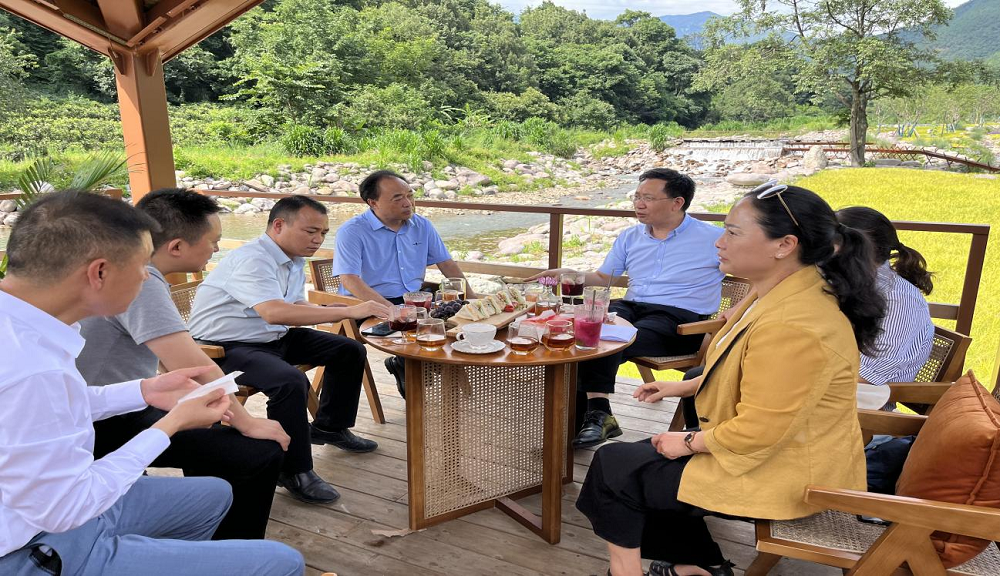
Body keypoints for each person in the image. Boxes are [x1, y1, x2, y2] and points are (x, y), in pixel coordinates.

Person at [576, 183, 884, 576]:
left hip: (788, 472)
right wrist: (685, 386)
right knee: (631, 462)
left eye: (734, 232)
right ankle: (701, 564)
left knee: (617, 467)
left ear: (784, 245)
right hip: (774, 450)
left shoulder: (795, 324)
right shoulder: (779, 290)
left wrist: (688, 441)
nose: (719, 242)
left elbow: (762, 428)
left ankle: (633, 571)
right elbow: (750, 371)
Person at [0, 191, 304, 575]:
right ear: (99, 273)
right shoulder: (34, 368)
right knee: (283, 562)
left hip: (43, 508)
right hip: (36, 544)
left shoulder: (25, 330)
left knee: (214, 493)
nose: (147, 277)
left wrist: (142, 390)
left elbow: (53, 405)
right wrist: (170, 424)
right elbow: (66, 508)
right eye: (142, 265)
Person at [76, 189, 290, 538]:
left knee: (209, 425)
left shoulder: (118, 268)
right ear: (176, 246)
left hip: (114, 402)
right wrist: (248, 422)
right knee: (258, 452)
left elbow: (171, 360)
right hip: (99, 421)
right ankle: (229, 554)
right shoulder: (141, 280)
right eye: (213, 241)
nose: (216, 249)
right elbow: (198, 366)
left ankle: (199, 523)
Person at [188, 195, 390, 505]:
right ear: (279, 225)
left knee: (349, 350)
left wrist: (328, 309)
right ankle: (294, 469)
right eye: (311, 231)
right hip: (224, 347)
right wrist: (349, 310)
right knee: (289, 381)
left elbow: (293, 304)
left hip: (272, 337)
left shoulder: (292, 258)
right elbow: (274, 312)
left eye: (323, 233)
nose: (318, 239)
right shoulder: (253, 259)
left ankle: (330, 427)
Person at [529, 168, 724, 448]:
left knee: (604, 337)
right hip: (631, 307)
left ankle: (596, 415)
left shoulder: (714, 239)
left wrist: (736, 311)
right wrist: (568, 273)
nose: (638, 204)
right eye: (636, 197)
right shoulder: (631, 236)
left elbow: (759, 272)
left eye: (648, 198)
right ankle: (587, 422)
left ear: (677, 202)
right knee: (584, 327)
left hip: (679, 321)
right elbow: (602, 277)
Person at [334, 169, 476, 397]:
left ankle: (410, 366)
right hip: (369, 304)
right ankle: (410, 366)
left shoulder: (422, 225)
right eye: (397, 198)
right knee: (426, 332)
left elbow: (447, 265)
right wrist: (392, 310)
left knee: (457, 322)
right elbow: (350, 280)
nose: (408, 203)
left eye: (410, 195)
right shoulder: (352, 231)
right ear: (373, 202)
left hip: (415, 301)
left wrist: (473, 300)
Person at [836, 206, 934, 398]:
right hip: (828, 394)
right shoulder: (846, 283)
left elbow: (868, 375)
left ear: (857, 250)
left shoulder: (899, 300)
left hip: (858, 407)